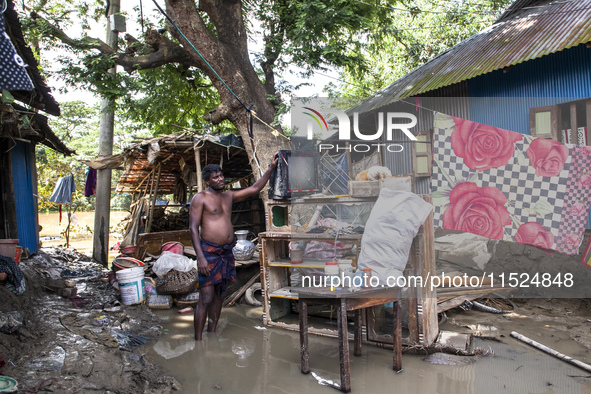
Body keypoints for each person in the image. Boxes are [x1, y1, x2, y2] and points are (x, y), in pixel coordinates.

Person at [190, 152, 279, 340]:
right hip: (209, 252)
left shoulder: (228, 196)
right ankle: (198, 341)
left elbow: (255, 188)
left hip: (226, 253)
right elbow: (192, 228)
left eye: (221, 175)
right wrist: (201, 258)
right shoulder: (201, 198)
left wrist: (270, 168)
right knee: (205, 298)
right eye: (215, 177)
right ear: (207, 181)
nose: (220, 179)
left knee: (219, 296)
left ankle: (211, 336)